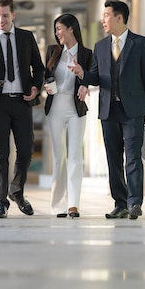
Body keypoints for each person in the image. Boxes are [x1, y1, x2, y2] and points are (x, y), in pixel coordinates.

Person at [68, 0, 145, 220]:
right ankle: (120, 203)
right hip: (108, 111)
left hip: (133, 110)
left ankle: (134, 203)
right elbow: (95, 76)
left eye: (106, 15)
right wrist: (82, 74)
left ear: (119, 18)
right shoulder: (100, 46)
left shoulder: (141, 43)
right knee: (113, 159)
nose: (103, 20)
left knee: (132, 157)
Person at [0, 0, 44, 218]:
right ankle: (1, 202)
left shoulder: (26, 37)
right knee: (0, 153)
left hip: (22, 101)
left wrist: (34, 88)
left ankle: (17, 191)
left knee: (25, 150)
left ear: (13, 15)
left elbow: (38, 69)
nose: (1, 20)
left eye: (4, 15)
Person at [43, 14, 92, 218]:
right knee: (59, 157)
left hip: (76, 109)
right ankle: (58, 204)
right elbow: (44, 74)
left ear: (71, 29)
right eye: (56, 29)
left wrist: (85, 83)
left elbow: (91, 75)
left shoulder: (87, 54)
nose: (57, 33)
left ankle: (73, 205)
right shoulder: (53, 51)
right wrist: (46, 85)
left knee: (74, 156)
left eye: (60, 28)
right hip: (55, 108)